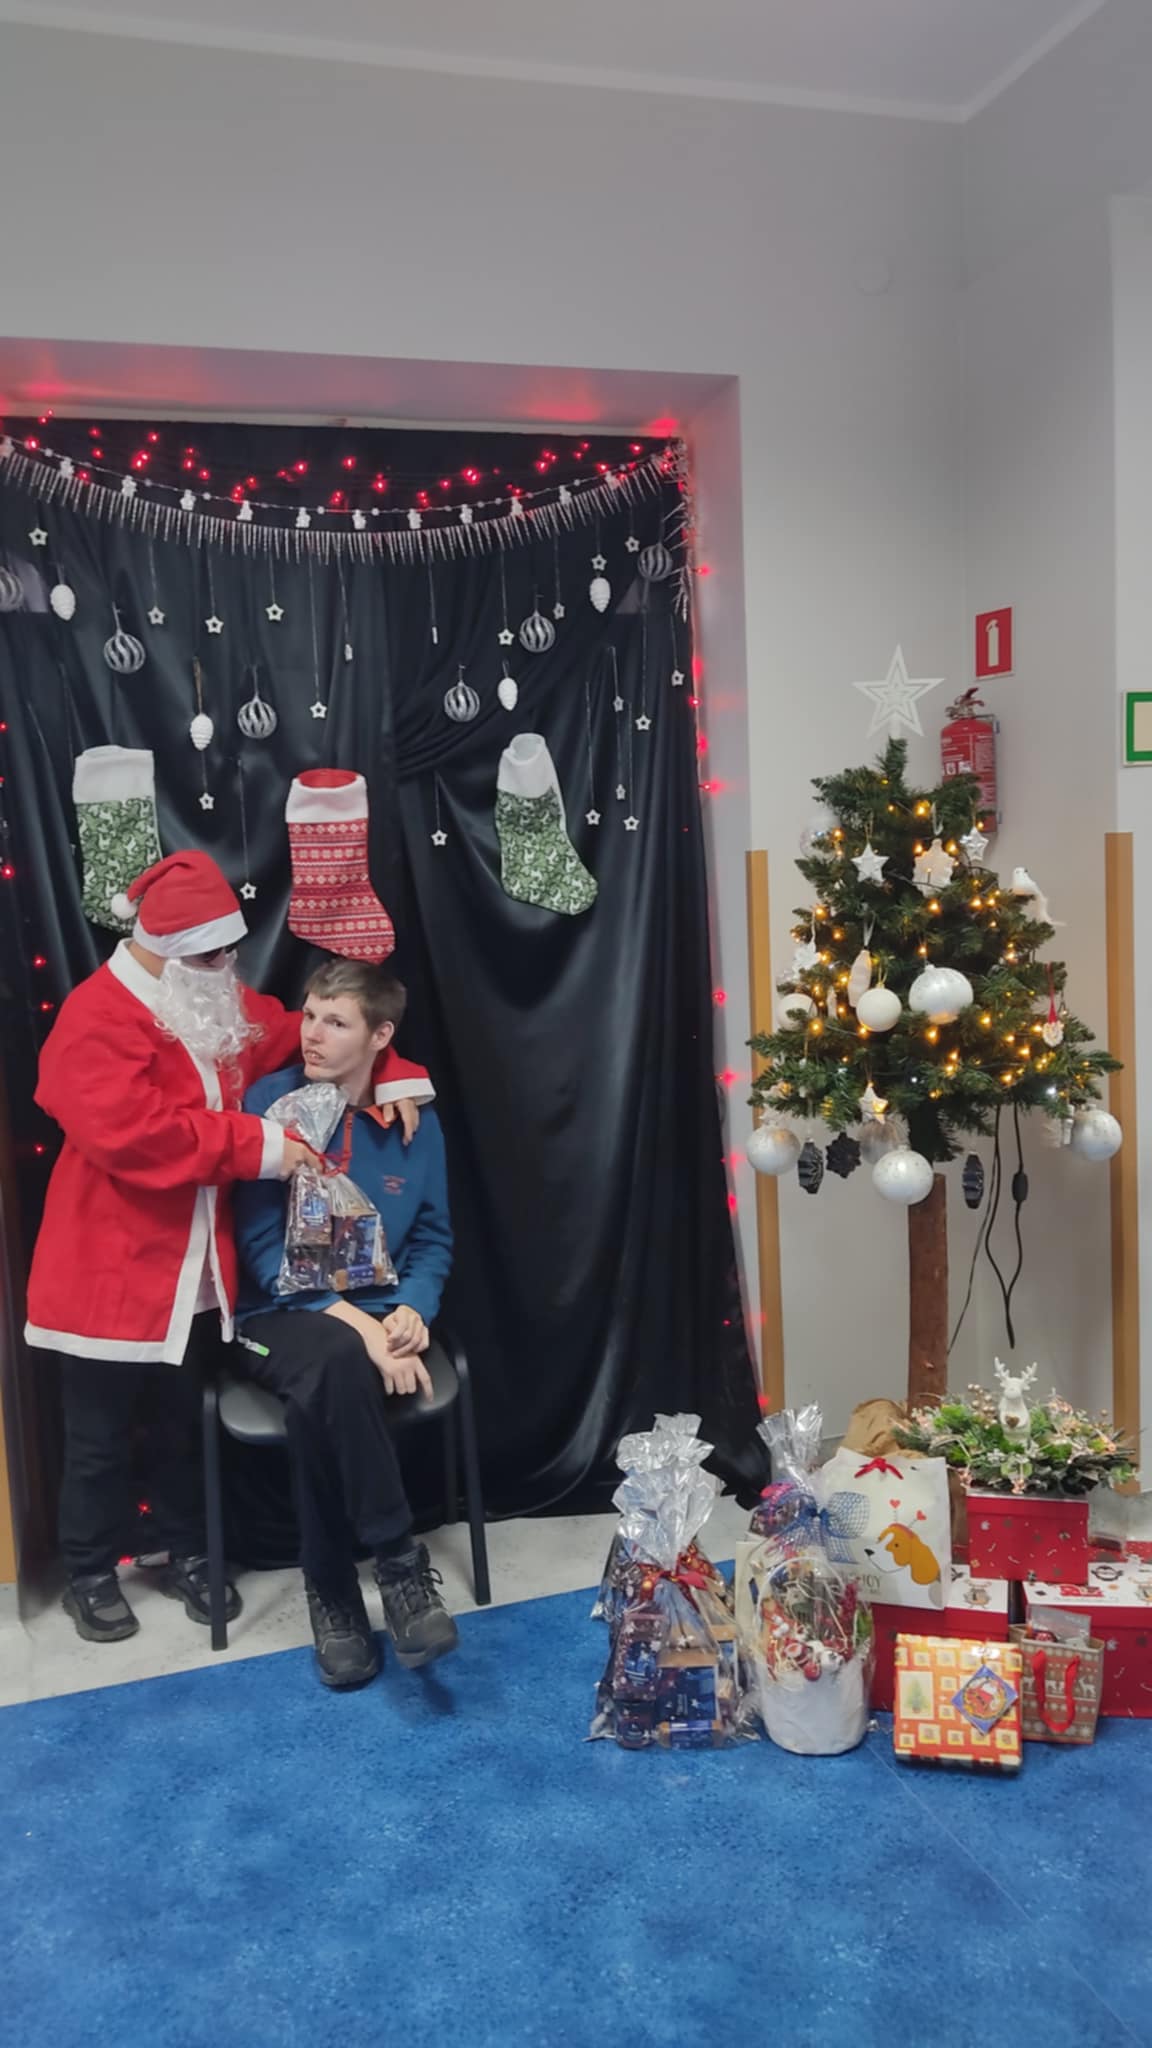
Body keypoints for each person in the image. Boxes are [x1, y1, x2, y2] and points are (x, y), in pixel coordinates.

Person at [25, 851, 433, 1645]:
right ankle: (89, 1571)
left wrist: (395, 1071)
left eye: (229, 952)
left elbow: (306, 1037)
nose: (229, 967)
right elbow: (132, 1134)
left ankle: (188, 1551)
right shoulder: (94, 1017)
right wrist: (261, 1147)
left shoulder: (210, 996)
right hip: (109, 1268)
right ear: (170, 950)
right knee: (98, 1435)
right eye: (214, 954)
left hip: (199, 1272)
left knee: (181, 1424)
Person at [234, 958, 459, 1691]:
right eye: (309, 1016)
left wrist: (411, 1310)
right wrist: (365, 1334)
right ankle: (398, 1566)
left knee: (323, 1392)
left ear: (380, 1036)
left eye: (336, 1022)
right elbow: (262, 1249)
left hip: (372, 1312)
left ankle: (330, 1593)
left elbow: (433, 1238)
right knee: (334, 1359)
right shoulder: (270, 1104)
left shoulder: (413, 1119)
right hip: (274, 1316)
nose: (312, 1034)